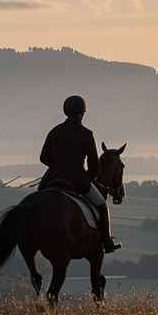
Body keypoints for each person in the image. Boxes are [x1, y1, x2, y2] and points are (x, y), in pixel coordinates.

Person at [38, 95, 121, 253]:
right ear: (82, 113)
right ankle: (107, 241)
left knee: (38, 199)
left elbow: (43, 158)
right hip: (77, 179)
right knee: (102, 206)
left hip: (51, 178)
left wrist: (57, 166)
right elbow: (94, 167)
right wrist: (86, 177)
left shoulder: (54, 131)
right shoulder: (86, 134)